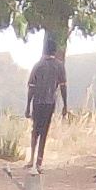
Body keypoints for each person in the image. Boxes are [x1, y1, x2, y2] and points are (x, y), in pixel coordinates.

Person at [25, 43, 69, 173]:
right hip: (50, 103)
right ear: (55, 52)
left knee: (35, 130)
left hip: (37, 102)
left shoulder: (38, 65)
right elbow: (63, 87)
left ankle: (31, 159)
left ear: (44, 51)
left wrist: (28, 106)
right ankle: (39, 162)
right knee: (44, 131)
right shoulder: (59, 66)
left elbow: (31, 88)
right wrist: (65, 105)